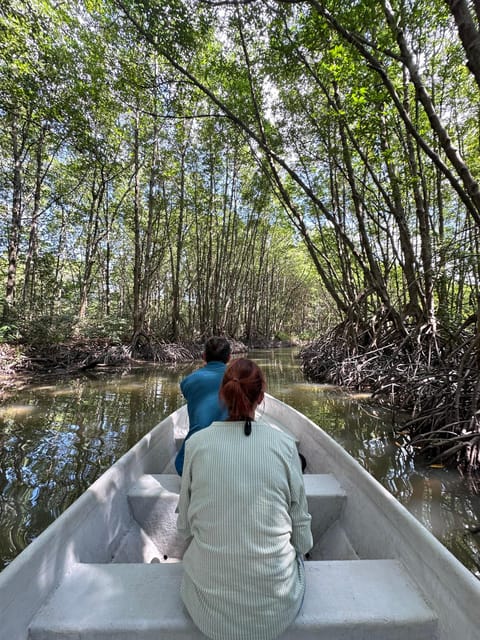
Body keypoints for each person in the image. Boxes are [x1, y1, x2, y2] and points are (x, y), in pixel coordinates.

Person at [177, 358, 313, 640]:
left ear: (223, 394)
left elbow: (183, 529)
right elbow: (303, 540)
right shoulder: (285, 445)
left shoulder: (196, 444)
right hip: (278, 610)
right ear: (261, 397)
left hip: (207, 612)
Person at [174, 336, 231, 476]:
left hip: (189, 464)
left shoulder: (188, 381)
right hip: (232, 455)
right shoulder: (240, 379)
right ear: (229, 357)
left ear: (203, 356)